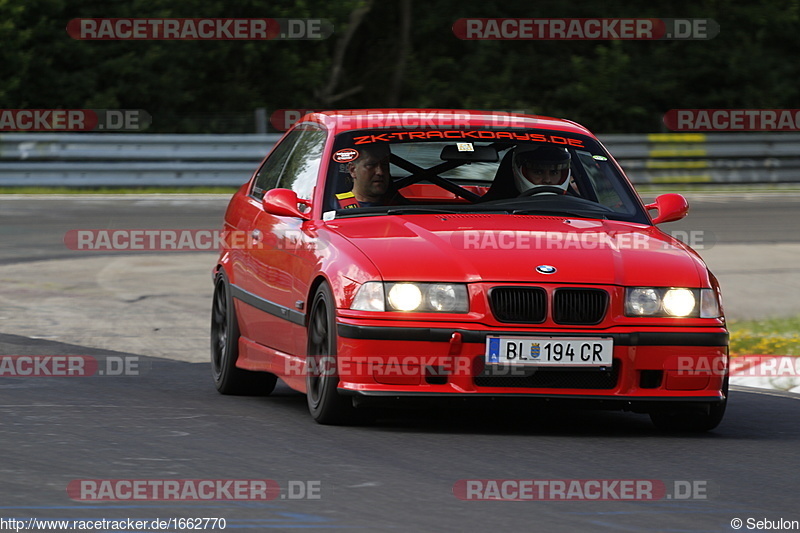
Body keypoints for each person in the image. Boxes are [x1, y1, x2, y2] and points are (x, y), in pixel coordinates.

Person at [335, 144, 407, 208]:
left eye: (384, 165)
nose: (380, 172)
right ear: (352, 170)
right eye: (371, 165)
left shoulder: (401, 208)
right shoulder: (335, 206)